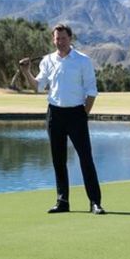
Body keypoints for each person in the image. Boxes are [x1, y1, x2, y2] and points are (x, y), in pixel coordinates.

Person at [19, 23, 105, 215]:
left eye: (63, 38)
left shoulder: (82, 60)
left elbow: (91, 91)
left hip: (76, 114)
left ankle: (95, 202)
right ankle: (62, 201)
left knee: (86, 159)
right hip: (54, 114)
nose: (60, 42)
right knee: (58, 160)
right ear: (53, 40)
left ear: (70, 39)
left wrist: (84, 114)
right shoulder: (47, 61)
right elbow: (38, 86)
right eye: (57, 39)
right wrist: (26, 71)